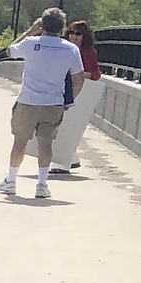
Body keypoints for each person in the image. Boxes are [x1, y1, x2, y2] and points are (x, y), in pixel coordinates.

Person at [1, 8, 86, 200]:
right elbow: (79, 79)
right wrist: (67, 100)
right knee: (45, 144)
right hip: (53, 103)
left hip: (28, 101)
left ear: (43, 25)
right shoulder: (71, 49)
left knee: (20, 142)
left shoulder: (30, 43)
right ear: (62, 27)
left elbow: (9, 50)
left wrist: (30, 32)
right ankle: (41, 184)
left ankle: (11, 181)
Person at [54, 19, 104, 174]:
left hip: (79, 91)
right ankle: (71, 159)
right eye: (71, 33)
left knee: (67, 124)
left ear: (84, 36)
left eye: (78, 34)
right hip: (61, 89)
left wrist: (78, 75)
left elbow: (96, 74)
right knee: (58, 124)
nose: (74, 36)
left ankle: (65, 162)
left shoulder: (88, 52)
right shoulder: (64, 48)